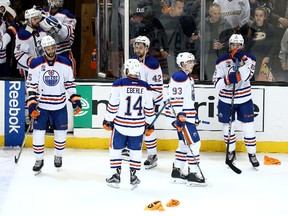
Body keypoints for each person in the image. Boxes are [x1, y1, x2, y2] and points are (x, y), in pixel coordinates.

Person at [26, 35, 82, 173]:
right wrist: (32, 105)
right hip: (42, 106)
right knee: (38, 134)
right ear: (43, 49)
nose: (51, 51)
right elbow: (31, 86)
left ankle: (58, 156)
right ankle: (39, 159)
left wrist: (75, 99)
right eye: (48, 48)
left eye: (52, 47)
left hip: (59, 105)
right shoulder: (35, 64)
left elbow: (69, 83)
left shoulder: (65, 63)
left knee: (61, 133)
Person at [103, 58, 155, 189]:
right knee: (135, 151)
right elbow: (149, 108)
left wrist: (108, 119)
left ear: (126, 70)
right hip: (137, 127)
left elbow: (113, 105)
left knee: (115, 149)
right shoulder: (146, 86)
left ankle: (115, 176)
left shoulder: (119, 83)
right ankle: (134, 176)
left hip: (120, 125)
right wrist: (150, 123)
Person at [212, 34, 260, 168]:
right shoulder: (221, 61)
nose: (236, 48)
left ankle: (252, 154)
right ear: (229, 46)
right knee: (228, 126)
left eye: (239, 45)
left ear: (243, 46)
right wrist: (228, 79)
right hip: (226, 100)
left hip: (244, 99)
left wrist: (243, 63)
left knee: (248, 127)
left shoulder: (251, 59)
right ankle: (231, 151)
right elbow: (216, 84)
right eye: (233, 45)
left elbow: (246, 77)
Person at [166, 52, 206, 186]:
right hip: (183, 119)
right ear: (183, 64)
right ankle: (193, 173)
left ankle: (177, 171)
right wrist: (180, 117)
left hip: (186, 117)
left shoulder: (187, 77)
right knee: (195, 144)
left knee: (184, 145)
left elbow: (188, 100)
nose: (192, 65)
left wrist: (194, 116)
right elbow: (176, 100)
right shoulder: (179, 76)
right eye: (190, 62)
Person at [132, 36, 164, 169]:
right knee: (133, 125)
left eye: (141, 47)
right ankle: (130, 150)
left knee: (147, 128)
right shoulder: (133, 61)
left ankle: (152, 155)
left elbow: (156, 88)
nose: (138, 49)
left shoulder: (152, 64)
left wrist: (147, 101)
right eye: (136, 47)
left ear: (146, 48)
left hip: (151, 101)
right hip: (137, 100)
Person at [40, 0, 77, 77]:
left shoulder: (66, 14)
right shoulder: (43, 12)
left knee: (68, 76)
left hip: (63, 51)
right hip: (46, 51)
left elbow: (67, 34)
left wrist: (57, 26)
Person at [14, 5, 46, 79]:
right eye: (35, 19)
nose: (37, 21)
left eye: (38, 19)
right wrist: (32, 62)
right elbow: (19, 54)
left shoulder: (42, 31)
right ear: (28, 20)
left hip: (40, 67)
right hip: (26, 68)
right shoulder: (23, 34)